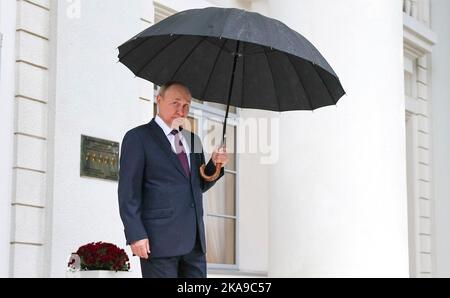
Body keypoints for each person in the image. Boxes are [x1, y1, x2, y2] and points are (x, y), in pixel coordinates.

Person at [118, 81, 228, 278]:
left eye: (186, 105)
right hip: (158, 242)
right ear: (159, 100)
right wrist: (136, 234)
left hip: (194, 244)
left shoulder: (193, 140)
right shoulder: (138, 138)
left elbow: (197, 185)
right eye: (175, 103)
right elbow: (128, 192)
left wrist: (215, 164)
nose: (181, 110)